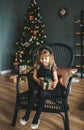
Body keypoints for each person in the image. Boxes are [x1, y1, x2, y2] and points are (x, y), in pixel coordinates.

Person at [20, 46, 66, 129]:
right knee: (34, 92)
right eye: (41, 59)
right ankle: (26, 115)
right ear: (39, 58)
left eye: (46, 59)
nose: (43, 61)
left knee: (42, 93)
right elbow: (34, 76)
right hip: (38, 83)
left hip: (49, 86)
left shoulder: (52, 66)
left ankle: (36, 118)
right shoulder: (38, 64)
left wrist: (55, 82)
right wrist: (38, 80)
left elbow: (55, 79)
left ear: (50, 58)